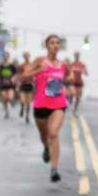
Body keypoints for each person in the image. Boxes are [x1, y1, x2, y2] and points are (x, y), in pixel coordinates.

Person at [19, 34, 68, 183]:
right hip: (41, 104)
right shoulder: (40, 61)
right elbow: (24, 77)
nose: (54, 45)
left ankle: (54, 170)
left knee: (53, 133)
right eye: (51, 43)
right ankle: (46, 147)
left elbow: (66, 77)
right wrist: (38, 71)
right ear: (47, 46)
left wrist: (68, 81)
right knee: (44, 134)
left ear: (59, 46)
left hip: (58, 104)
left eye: (57, 43)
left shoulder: (62, 64)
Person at [0, 52, 17, 118]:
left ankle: (12, 102)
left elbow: (15, 74)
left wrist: (13, 78)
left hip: (10, 85)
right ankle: (6, 112)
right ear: (3, 57)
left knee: (10, 97)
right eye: (4, 56)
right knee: (4, 99)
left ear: (8, 57)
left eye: (7, 56)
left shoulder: (12, 66)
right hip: (3, 85)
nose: (5, 57)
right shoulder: (0, 66)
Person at [17, 50, 34, 124]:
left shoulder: (32, 65)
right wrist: (18, 83)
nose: (26, 57)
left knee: (28, 103)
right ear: (24, 57)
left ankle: (27, 116)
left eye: (27, 55)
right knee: (22, 100)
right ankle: (21, 107)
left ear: (29, 56)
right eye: (25, 56)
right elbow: (18, 75)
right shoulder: (21, 65)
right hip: (23, 85)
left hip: (29, 85)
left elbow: (34, 73)